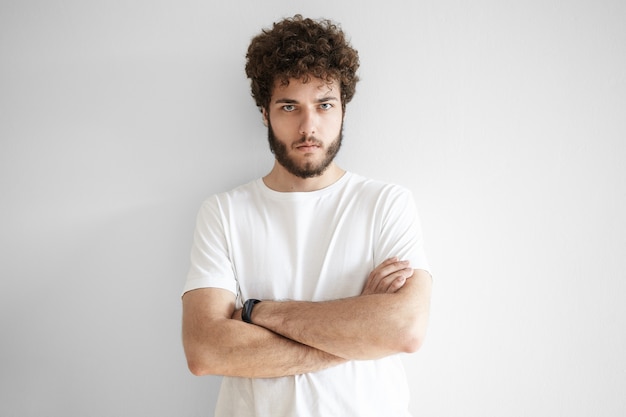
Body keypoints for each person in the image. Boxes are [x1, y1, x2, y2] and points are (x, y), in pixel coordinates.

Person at [181, 15, 432, 417]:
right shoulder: (224, 213)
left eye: (324, 104)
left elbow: (404, 330)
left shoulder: (386, 203)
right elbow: (205, 351)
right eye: (289, 106)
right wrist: (357, 332)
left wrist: (255, 313)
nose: (308, 126)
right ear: (265, 113)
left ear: (343, 109)